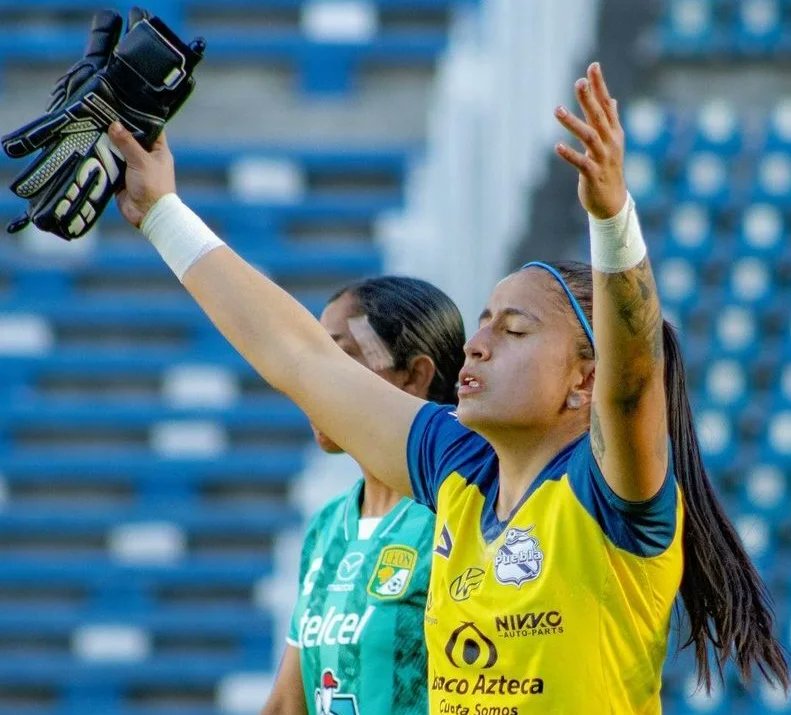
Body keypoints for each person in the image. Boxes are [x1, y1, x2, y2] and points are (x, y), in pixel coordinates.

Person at [108, 62, 788, 713]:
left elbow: (635, 386)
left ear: (585, 378)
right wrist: (163, 213)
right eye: (482, 321)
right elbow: (302, 358)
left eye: (514, 330)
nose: (477, 343)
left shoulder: (610, 499)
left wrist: (611, 220)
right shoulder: (457, 469)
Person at [261, 276, 465, 715]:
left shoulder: (461, 515)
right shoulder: (328, 526)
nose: (315, 382)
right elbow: (287, 704)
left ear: (415, 375)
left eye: (339, 357)